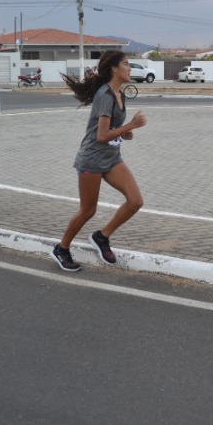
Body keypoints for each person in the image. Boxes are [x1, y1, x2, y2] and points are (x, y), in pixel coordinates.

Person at [52, 51, 147, 271]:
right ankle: (62, 248)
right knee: (88, 211)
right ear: (114, 68)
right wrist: (130, 126)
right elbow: (101, 136)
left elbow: (112, 130)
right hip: (92, 160)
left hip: (112, 158)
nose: (129, 68)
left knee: (135, 201)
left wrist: (125, 133)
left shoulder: (119, 94)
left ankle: (101, 237)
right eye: (126, 64)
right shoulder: (104, 95)